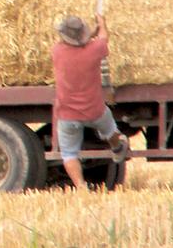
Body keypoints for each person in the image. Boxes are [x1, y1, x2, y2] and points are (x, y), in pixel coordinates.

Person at [52, 14, 129, 189]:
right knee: (109, 128)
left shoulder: (57, 52)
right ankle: (117, 148)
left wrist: (88, 36)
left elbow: (74, 43)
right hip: (94, 110)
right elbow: (103, 38)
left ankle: (81, 187)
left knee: (69, 154)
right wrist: (102, 23)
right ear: (83, 35)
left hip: (67, 113)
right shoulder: (94, 51)